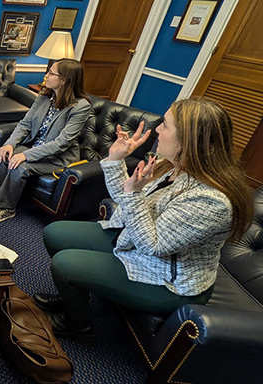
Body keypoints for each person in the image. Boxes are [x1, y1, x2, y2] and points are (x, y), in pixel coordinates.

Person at [33, 97, 253, 338]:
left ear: (188, 140)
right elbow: (128, 199)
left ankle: (77, 323)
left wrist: (133, 194)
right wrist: (116, 159)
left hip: (168, 281)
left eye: (166, 125)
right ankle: (73, 294)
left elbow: (153, 245)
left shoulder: (210, 200)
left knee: (65, 264)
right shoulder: (171, 166)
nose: (157, 128)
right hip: (139, 242)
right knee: (54, 233)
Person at [0, 59, 90, 221]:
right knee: (3, 154)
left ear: (64, 79)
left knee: (19, 167)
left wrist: (25, 156)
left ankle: (6, 207)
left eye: (51, 73)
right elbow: (25, 124)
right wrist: (10, 143)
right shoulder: (44, 96)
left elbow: (62, 143)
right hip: (34, 146)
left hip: (57, 158)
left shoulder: (81, 106)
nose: (47, 76)